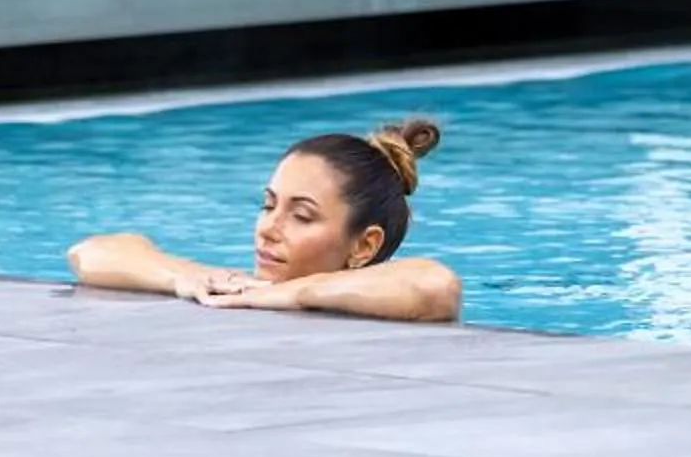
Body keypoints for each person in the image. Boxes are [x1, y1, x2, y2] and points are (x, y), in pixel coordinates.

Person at [67, 119, 462, 323]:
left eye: (302, 216)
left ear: (364, 246)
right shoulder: (244, 286)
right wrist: (187, 277)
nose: (268, 229)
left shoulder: (393, 292)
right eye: (268, 205)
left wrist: (294, 293)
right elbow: (91, 253)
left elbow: (436, 287)